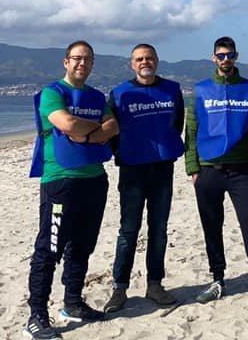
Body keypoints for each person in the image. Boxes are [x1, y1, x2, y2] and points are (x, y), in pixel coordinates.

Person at [24, 41, 116, 339]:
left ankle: (73, 303)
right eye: (77, 58)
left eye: (87, 59)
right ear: (66, 61)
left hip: (94, 179)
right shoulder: (53, 93)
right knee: (49, 248)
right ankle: (37, 315)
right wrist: (92, 129)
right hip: (60, 181)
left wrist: (83, 133)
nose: (82, 63)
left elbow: (112, 126)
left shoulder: (96, 96)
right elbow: (65, 122)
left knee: (82, 245)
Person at [185, 36, 248, 303]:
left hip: (240, 169)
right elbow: (191, 133)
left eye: (230, 55)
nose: (225, 59)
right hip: (208, 170)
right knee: (212, 225)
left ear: (236, 56)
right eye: (221, 55)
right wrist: (193, 169)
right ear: (213, 58)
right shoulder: (201, 90)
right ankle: (217, 278)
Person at [103, 44, 185, 313]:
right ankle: (119, 287)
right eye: (139, 59)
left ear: (157, 61)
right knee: (128, 230)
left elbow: (177, 123)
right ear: (132, 64)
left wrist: (165, 148)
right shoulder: (119, 93)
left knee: (158, 229)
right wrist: (123, 152)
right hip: (132, 169)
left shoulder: (172, 90)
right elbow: (112, 130)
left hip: (162, 167)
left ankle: (155, 284)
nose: (145, 62)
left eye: (149, 58)